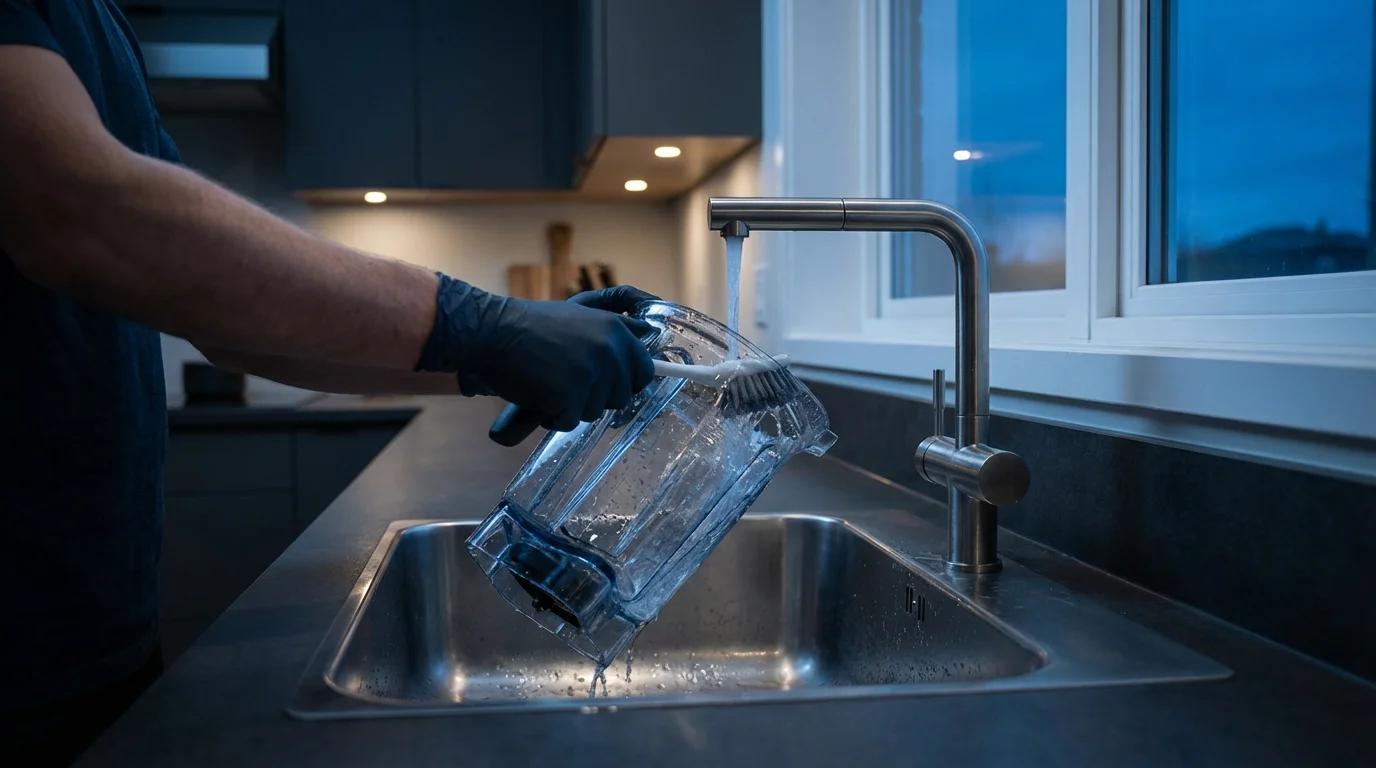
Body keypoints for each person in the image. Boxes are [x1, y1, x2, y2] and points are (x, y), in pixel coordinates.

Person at [0, 1, 659, 763]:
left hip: (91, 629)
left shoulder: (94, 19)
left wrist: (491, 356)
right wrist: (485, 326)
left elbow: (227, 320)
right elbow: (80, 206)